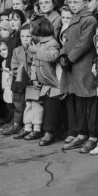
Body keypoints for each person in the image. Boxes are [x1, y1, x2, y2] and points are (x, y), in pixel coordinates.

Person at [59, 0, 98, 153]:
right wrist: (62, 55)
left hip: (84, 65)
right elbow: (65, 39)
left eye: (76, 2)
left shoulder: (89, 19)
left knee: (89, 100)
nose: (73, 5)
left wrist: (70, 58)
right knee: (79, 100)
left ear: (86, 3)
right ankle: (82, 134)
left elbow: (84, 42)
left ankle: (93, 137)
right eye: (71, 2)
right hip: (74, 66)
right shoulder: (74, 18)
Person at [28, 17, 61, 146]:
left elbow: (53, 56)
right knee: (47, 107)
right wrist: (34, 78)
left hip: (54, 84)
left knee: (52, 108)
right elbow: (34, 64)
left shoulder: (52, 42)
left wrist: (37, 50)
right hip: (45, 84)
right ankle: (48, 130)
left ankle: (49, 132)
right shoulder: (37, 43)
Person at [12, 26, 40, 140]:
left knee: (36, 105)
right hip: (23, 81)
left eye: (28, 36)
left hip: (34, 82)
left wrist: (31, 50)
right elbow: (14, 66)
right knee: (25, 104)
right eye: (22, 36)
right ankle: (26, 127)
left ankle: (36, 128)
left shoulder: (35, 49)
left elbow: (37, 63)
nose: (25, 39)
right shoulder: (17, 50)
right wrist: (18, 71)